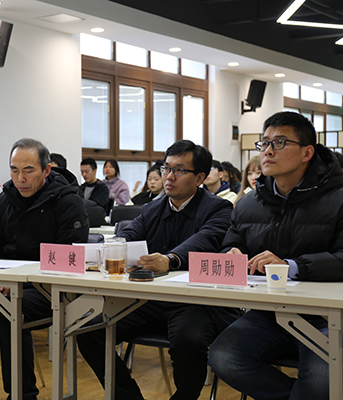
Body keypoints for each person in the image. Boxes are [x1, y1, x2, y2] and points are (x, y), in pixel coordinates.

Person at [208, 111, 343, 400]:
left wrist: (292, 266)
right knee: (224, 357)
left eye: (279, 143)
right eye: (263, 143)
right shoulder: (249, 204)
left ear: (307, 152)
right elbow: (229, 245)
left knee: (322, 377)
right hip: (270, 313)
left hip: (332, 316)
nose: (267, 151)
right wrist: (231, 254)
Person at [76, 139, 236, 400]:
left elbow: (205, 239)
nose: (169, 177)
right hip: (149, 299)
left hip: (192, 301)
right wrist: (105, 250)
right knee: (89, 330)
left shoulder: (218, 208)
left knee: (189, 342)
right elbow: (128, 235)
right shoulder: (153, 208)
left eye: (179, 170)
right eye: (166, 168)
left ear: (200, 178)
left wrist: (171, 259)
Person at [0, 138, 88, 400]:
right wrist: (2, 279)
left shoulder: (68, 201)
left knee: (8, 310)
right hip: (8, 284)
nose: (20, 179)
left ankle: (22, 395)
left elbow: (69, 257)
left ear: (46, 170)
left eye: (28, 170)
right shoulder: (7, 198)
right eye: (14, 170)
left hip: (50, 288)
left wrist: (16, 281)